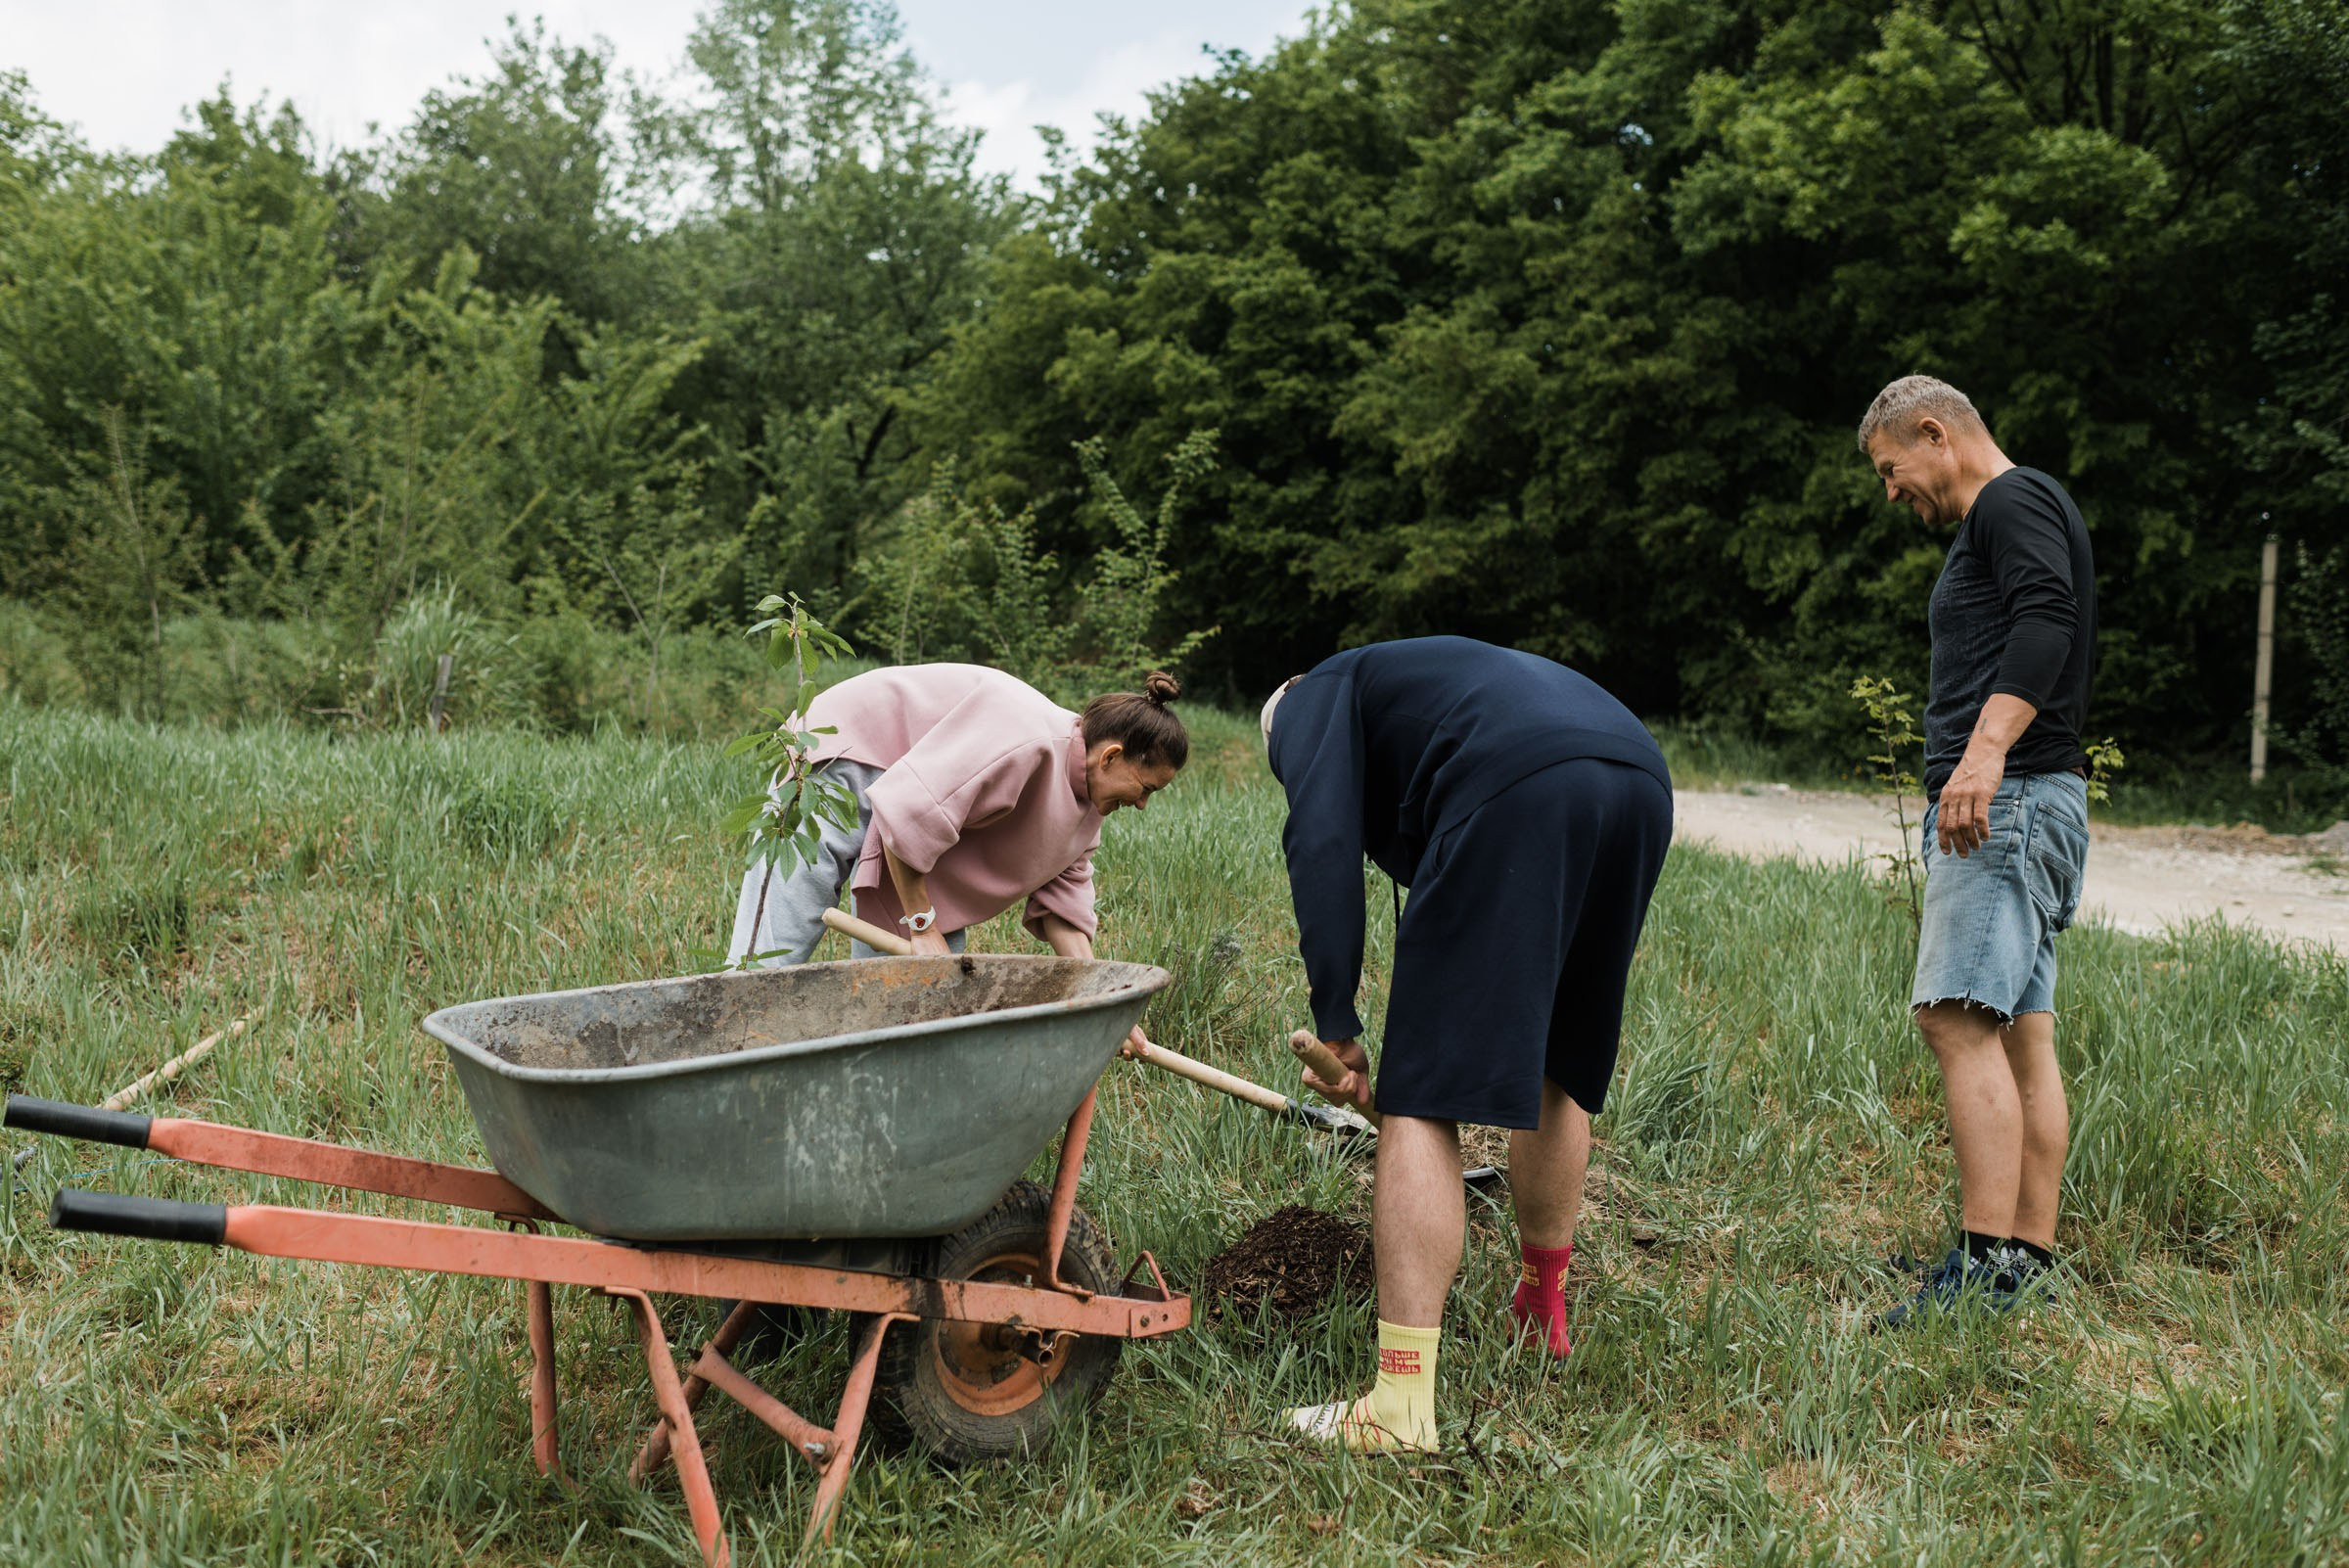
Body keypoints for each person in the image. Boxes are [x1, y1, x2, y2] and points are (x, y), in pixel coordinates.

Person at [1261, 635, 1674, 1453]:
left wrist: (1337, 1021)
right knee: (1561, 1063)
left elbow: (1323, 840)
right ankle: (1542, 1310)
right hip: (1637, 779)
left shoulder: (1309, 700)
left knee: (1423, 1092)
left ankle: (1399, 1405)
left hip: (1516, 783)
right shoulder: (1417, 682)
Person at [1858, 375, 2096, 1326]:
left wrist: (1983, 755)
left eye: (1891, 469)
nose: (1891, 492)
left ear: (1935, 433)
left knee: (1954, 1019)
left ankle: (1982, 1265)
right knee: (2020, 1035)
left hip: (2007, 801)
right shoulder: (2018, 508)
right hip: (2031, 800)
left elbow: (2048, 620)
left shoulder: (2009, 499)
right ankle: (2021, 1260)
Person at [726, 664, 1185, 971]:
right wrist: (922, 925)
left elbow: (1063, 910)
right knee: (774, 947)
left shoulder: (1086, 809)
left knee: (923, 987)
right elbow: (908, 812)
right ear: (1110, 757)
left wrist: (1104, 996)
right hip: (849, 751)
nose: (1142, 805)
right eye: (1146, 788)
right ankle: (730, 1043)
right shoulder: (1027, 742)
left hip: (915, 804)